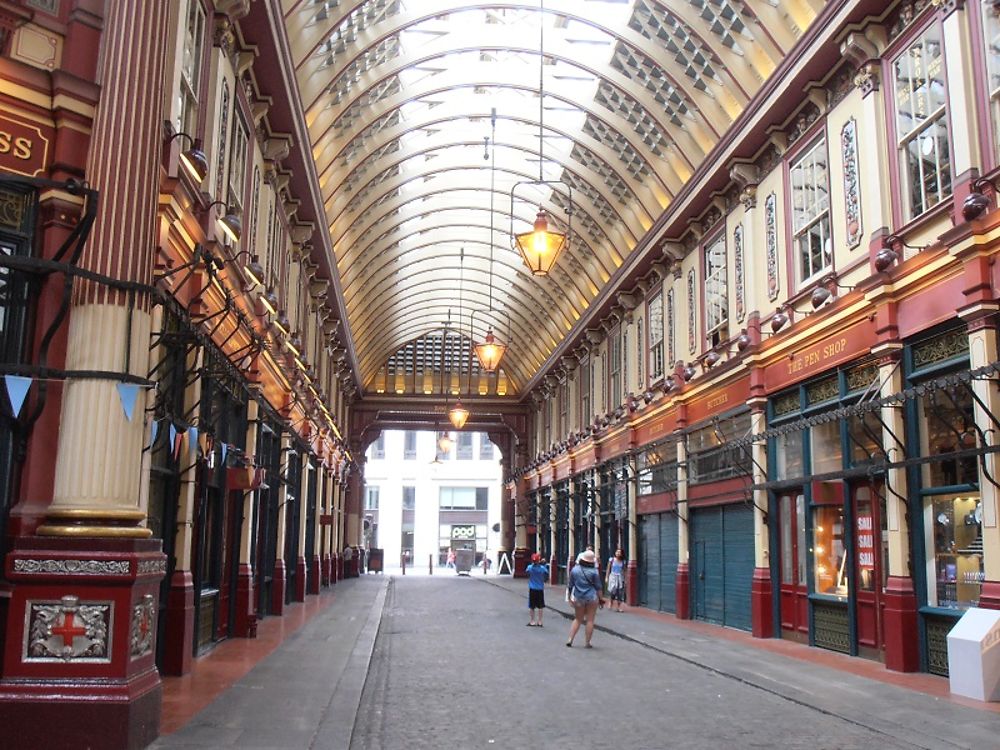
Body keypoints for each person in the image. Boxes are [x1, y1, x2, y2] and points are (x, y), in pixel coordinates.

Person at [566, 549, 604, 648]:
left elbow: (570, 585)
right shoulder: (594, 572)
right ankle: (587, 642)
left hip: (579, 597)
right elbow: (598, 587)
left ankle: (570, 639)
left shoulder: (575, 570)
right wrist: (601, 599)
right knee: (590, 620)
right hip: (592, 598)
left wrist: (570, 597)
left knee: (578, 619)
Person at [606, 548, 626, 612]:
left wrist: (625, 579)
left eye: (619, 552)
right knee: (613, 590)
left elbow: (624, 570)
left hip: (620, 577)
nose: (618, 553)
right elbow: (608, 569)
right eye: (617, 552)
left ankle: (619, 606)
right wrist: (606, 577)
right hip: (613, 576)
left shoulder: (623, 561)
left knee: (619, 592)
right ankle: (610, 602)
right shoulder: (611, 560)